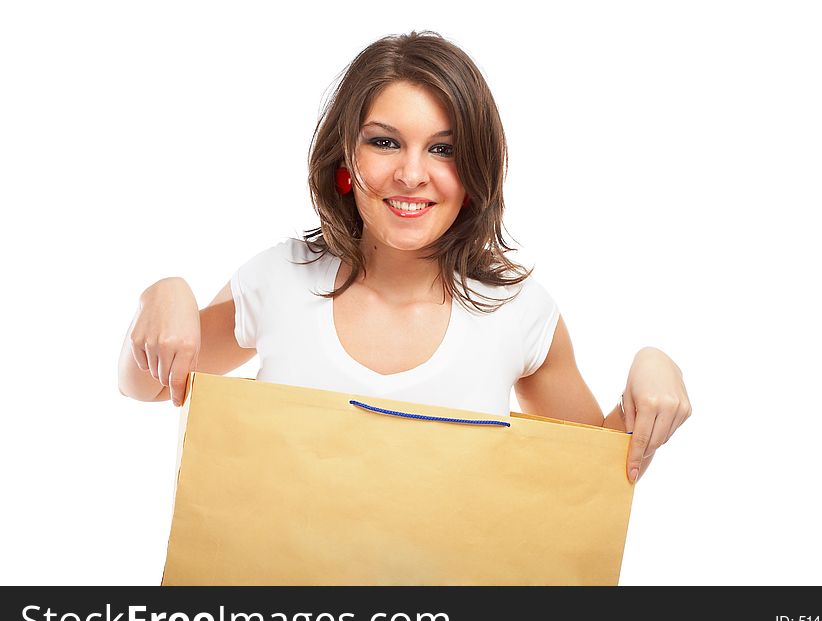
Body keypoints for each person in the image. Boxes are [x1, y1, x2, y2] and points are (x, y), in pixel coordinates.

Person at [117, 31, 691, 484]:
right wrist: (162, 293)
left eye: (443, 149)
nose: (412, 174)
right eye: (385, 141)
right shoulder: (279, 280)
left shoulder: (519, 313)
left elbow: (590, 478)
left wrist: (650, 371)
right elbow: (143, 385)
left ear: (476, 170)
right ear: (346, 156)